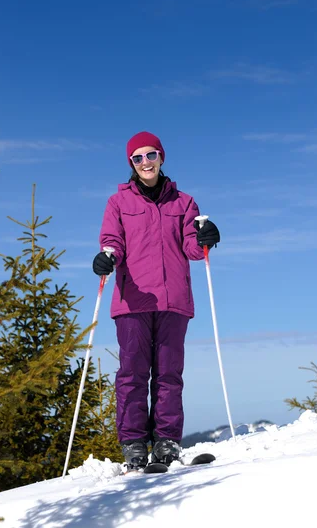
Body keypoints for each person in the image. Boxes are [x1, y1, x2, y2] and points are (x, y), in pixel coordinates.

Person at [92, 131, 220, 470]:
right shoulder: (118, 203)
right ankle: (134, 444)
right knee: (132, 372)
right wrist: (107, 259)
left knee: (168, 373)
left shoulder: (185, 202)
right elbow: (112, 242)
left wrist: (207, 238)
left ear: (161, 158)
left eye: (151, 155)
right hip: (132, 301)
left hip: (173, 300)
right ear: (131, 164)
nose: (145, 162)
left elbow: (192, 247)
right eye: (138, 158)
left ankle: (166, 442)